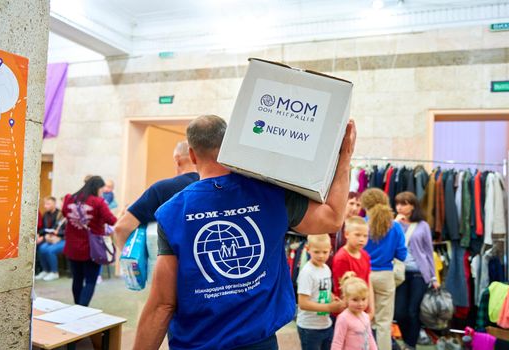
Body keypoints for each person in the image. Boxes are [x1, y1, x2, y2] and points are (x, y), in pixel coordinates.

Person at [133, 115, 357, 349]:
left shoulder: (173, 212)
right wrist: (344, 159)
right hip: (260, 343)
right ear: (231, 144)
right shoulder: (272, 195)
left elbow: (162, 304)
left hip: (198, 343)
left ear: (191, 154)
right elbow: (332, 217)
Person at [114, 141, 199, 251]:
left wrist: (130, 262)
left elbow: (121, 228)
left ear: (178, 159)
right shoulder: (215, 187)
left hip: (167, 264)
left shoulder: (161, 189)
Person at [361, 188, 407, 350]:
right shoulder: (395, 227)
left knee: (364, 320)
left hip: (364, 275)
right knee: (384, 324)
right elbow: (402, 255)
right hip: (386, 276)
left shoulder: (362, 224)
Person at [62, 176, 117, 306]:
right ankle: (81, 309)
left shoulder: (69, 198)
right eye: (102, 190)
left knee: (77, 279)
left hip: (73, 247)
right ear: (97, 188)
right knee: (91, 281)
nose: (102, 192)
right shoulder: (98, 202)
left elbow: (65, 214)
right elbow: (112, 221)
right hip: (92, 249)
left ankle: (77, 306)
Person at [393, 191, 438, 349]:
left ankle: (410, 345)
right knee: (399, 312)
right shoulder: (395, 224)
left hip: (419, 273)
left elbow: (428, 252)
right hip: (399, 273)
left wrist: (434, 278)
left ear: (412, 206)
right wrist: (394, 223)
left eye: (403, 203)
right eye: (397, 203)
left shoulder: (423, 225)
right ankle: (407, 340)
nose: (399, 207)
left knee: (413, 311)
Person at [297, 234, 345, 350]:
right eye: (317, 252)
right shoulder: (307, 272)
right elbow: (303, 303)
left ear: (330, 250)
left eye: (325, 252)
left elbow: (324, 290)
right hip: (309, 327)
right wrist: (329, 308)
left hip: (325, 324)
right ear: (308, 250)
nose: (321, 256)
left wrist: (333, 298)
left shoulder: (326, 269)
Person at [331, 216, 374, 318]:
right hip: (347, 312)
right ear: (346, 234)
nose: (362, 239)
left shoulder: (365, 255)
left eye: (365, 236)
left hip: (361, 309)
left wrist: (371, 308)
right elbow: (342, 289)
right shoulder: (342, 258)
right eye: (357, 235)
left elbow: (368, 282)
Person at [331, 272, 377, 350]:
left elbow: (370, 337)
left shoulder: (365, 316)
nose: (360, 304)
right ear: (346, 299)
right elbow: (337, 342)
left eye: (363, 299)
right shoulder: (343, 318)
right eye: (355, 300)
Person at [35, 196, 66, 281]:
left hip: (65, 240)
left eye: (63, 203)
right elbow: (53, 228)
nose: (62, 205)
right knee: (42, 248)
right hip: (55, 238)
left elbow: (67, 232)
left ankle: (54, 272)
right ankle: (46, 270)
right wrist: (46, 235)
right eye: (62, 203)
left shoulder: (63, 215)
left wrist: (57, 234)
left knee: (50, 250)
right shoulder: (59, 215)